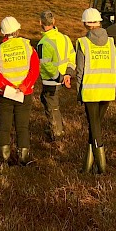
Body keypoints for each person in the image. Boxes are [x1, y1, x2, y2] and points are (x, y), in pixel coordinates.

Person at [0, 16, 40, 165]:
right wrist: (24, 85)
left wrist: (7, 87)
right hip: (24, 93)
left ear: (3, 33)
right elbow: (35, 69)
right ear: (18, 30)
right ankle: (23, 158)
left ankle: (4, 158)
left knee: (4, 127)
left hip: (4, 94)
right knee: (22, 127)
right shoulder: (28, 47)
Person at [74, 8, 116, 174]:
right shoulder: (111, 42)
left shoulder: (83, 43)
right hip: (107, 90)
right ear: (99, 21)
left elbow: (80, 71)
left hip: (90, 91)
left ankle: (102, 168)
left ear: (85, 24)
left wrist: (79, 93)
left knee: (94, 127)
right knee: (95, 126)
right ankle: (87, 167)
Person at [37, 10, 76, 141]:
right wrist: (68, 74)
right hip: (63, 77)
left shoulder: (43, 43)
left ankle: (57, 133)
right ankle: (55, 127)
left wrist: (59, 77)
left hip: (52, 81)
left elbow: (46, 65)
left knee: (52, 106)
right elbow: (72, 57)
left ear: (40, 23)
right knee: (50, 103)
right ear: (54, 22)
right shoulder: (65, 38)